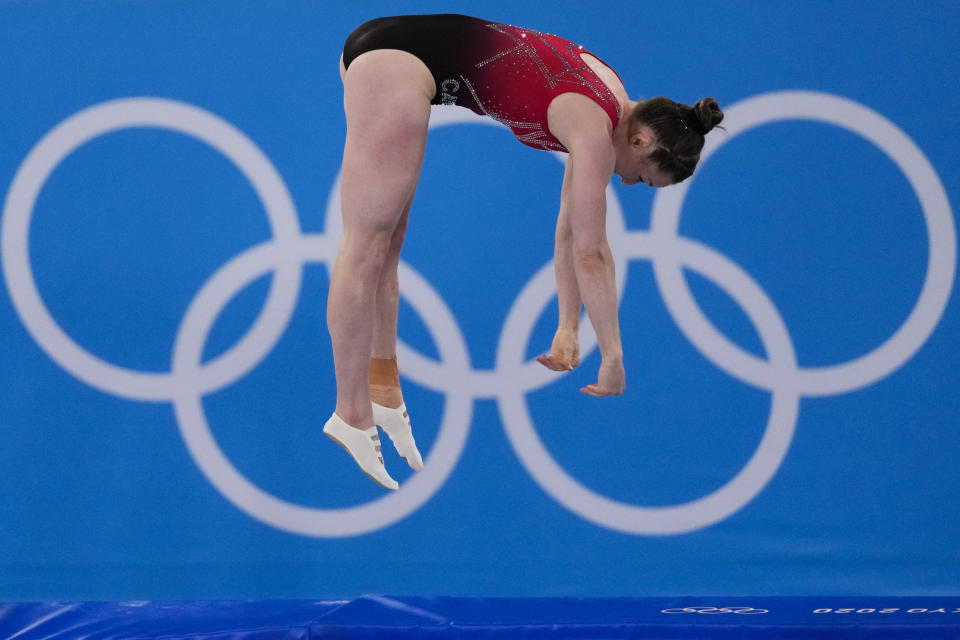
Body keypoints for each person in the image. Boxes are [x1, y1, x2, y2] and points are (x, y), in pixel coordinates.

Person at [323, 14, 724, 490]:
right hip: (395, 64)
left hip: (403, 53)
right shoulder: (596, 130)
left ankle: (384, 391)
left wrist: (569, 327)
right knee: (365, 248)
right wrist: (613, 357)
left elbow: (570, 235)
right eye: (640, 175)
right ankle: (350, 412)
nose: (627, 181)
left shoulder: (610, 99)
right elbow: (593, 252)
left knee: (387, 245)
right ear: (642, 141)